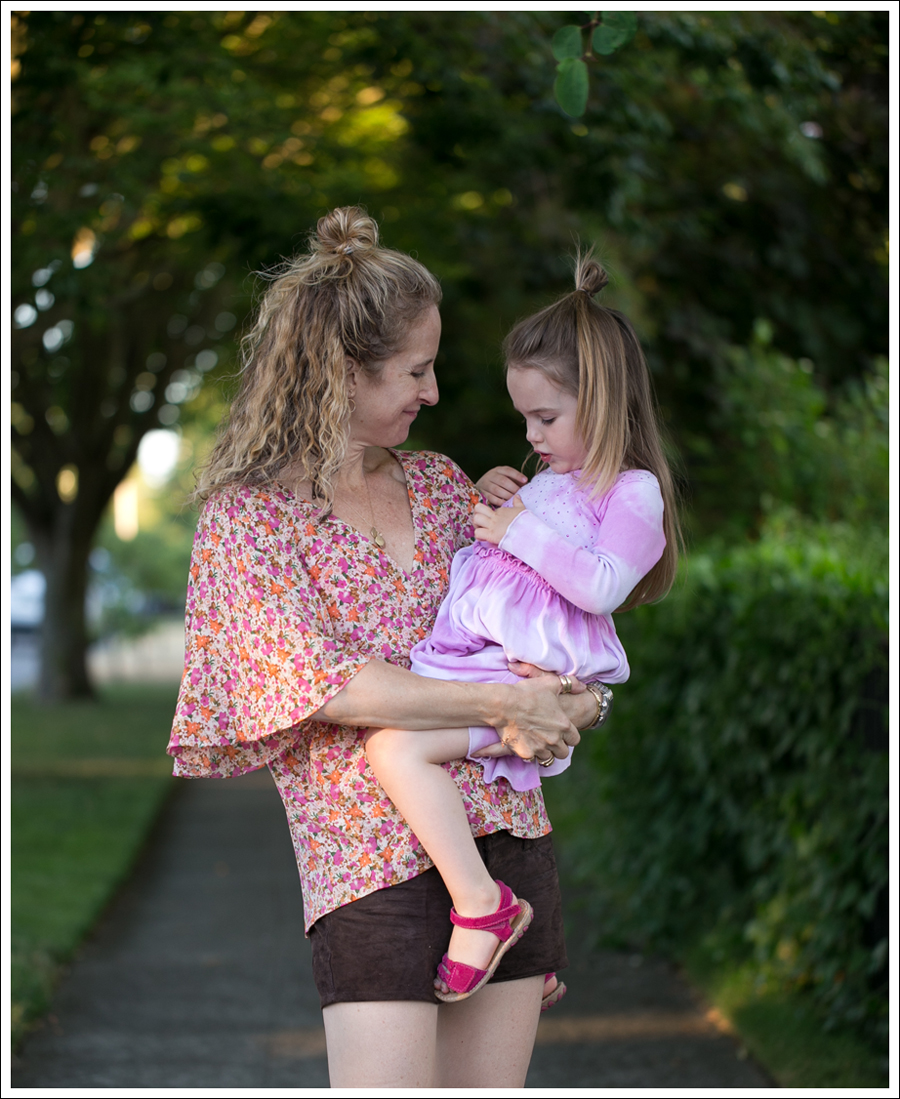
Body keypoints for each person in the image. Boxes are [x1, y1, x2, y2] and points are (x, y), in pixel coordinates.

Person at [167, 206, 601, 1088]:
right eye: (416, 369)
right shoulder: (250, 519)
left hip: (506, 855)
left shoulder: (447, 488)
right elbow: (324, 685)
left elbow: (544, 626)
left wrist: (574, 696)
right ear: (338, 374)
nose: (434, 392)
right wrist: (503, 704)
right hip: (367, 864)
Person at [364, 254, 680, 1003]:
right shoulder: (550, 482)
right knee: (399, 748)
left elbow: (600, 583)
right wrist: (496, 499)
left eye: (546, 417)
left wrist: (517, 529)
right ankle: (523, 950)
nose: (532, 433)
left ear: (601, 402)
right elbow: (497, 564)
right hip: (487, 667)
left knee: (393, 750)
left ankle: (486, 909)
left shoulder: (633, 493)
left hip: (521, 677)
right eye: (524, 419)